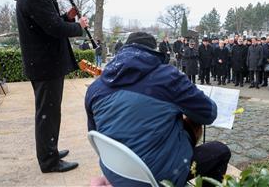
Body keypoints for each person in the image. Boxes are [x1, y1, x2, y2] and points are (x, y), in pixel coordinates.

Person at [85, 32, 231, 187]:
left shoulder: (95, 88)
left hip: (115, 173)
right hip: (155, 177)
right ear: (154, 51)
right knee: (220, 151)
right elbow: (209, 113)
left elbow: (95, 133)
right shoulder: (167, 76)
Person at [13, 0, 88, 172]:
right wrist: (79, 26)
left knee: (49, 112)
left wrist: (68, 16)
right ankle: (49, 161)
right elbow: (54, 28)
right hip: (46, 65)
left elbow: (49, 22)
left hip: (44, 63)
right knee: (48, 113)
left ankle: (50, 150)